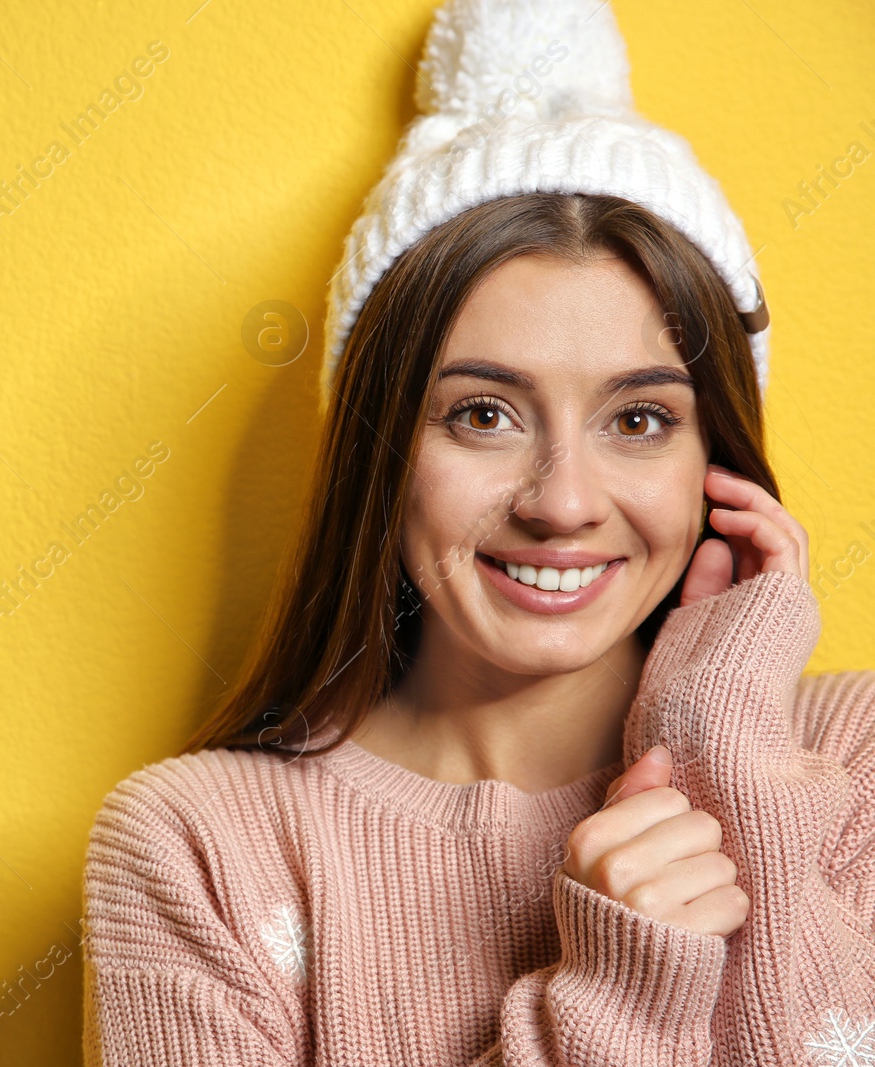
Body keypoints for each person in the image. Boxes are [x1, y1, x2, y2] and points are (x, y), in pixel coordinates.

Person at [79, 1, 875, 1064]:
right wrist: (609, 1004)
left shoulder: (850, 757)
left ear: (713, 467)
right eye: (481, 414)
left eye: (638, 420)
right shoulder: (197, 846)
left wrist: (723, 738)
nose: (562, 500)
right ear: (380, 452)